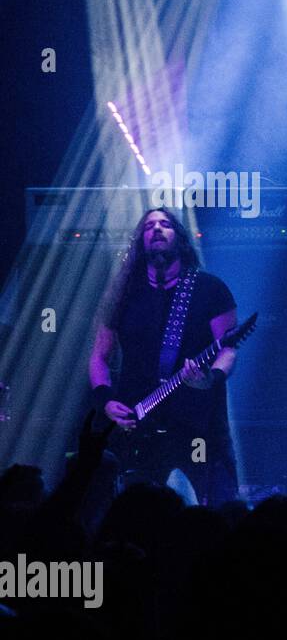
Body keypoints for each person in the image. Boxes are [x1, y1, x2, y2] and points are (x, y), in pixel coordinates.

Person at [88, 207, 240, 504]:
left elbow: (228, 349)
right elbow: (99, 358)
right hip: (137, 421)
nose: (156, 229)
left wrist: (213, 377)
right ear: (140, 240)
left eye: (165, 225)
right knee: (138, 512)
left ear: (179, 238)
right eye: (149, 227)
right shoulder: (122, 294)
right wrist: (106, 402)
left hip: (198, 422)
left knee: (213, 507)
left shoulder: (210, 289)